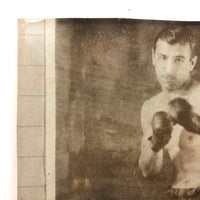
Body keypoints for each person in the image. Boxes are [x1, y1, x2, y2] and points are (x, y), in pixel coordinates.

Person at [139, 25, 200, 200]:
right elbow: (148, 172)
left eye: (178, 60)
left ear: (192, 63)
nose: (168, 69)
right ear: (153, 58)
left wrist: (194, 122)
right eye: (163, 58)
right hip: (177, 194)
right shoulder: (151, 106)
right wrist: (157, 142)